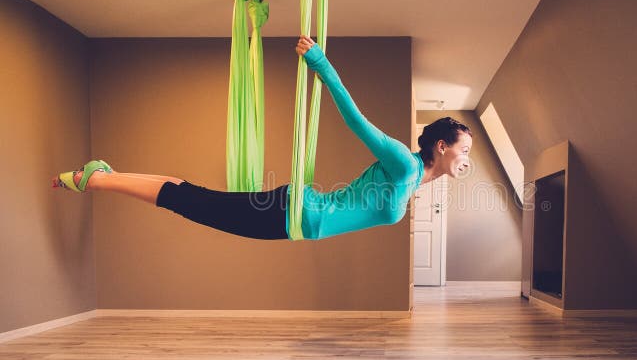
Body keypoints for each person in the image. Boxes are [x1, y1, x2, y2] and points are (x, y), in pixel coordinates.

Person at [53, 36, 473, 240]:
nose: (466, 157)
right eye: (464, 148)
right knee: (194, 204)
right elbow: (355, 119)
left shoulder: (415, 179)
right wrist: (320, 63)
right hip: (294, 212)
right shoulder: (404, 162)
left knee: (196, 200)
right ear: (441, 145)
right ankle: (99, 180)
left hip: (296, 218)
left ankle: (106, 173)